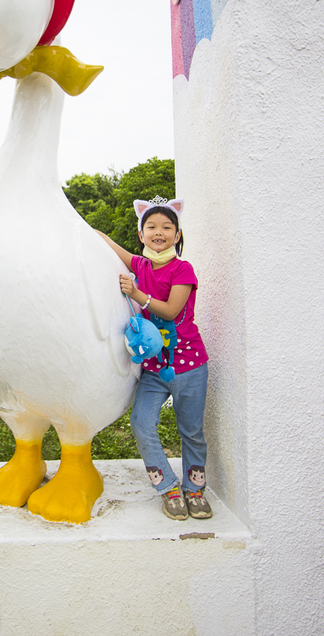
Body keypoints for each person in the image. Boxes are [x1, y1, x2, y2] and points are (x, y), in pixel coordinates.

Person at [96, 196, 212, 521]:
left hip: (191, 365)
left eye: (166, 227)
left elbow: (172, 311)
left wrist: (136, 294)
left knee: (190, 431)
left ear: (177, 235)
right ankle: (169, 488)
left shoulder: (183, 269)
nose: (158, 232)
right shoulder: (139, 266)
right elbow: (108, 244)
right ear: (141, 233)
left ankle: (194, 488)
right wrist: (84, 229)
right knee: (141, 423)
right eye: (151, 227)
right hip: (154, 368)